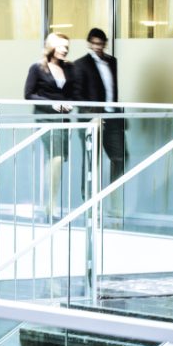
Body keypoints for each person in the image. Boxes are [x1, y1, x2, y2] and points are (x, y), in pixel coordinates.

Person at [24, 32, 74, 219]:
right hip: (46, 117)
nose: (65, 50)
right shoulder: (38, 68)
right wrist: (52, 104)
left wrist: (69, 104)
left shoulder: (68, 69)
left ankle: (50, 203)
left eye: (67, 47)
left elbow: (73, 92)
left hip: (63, 119)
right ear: (51, 46)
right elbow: (29, 94)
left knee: (58, 159)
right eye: (61, 46)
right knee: (56, 157)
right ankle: (50, 205)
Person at [72, 27, 128, 182]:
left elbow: (113, 91)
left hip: (113, 117)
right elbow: (75, 95)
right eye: (95, 43)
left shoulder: (112, 62)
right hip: (92, 119)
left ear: (105, 44)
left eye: (101, 44)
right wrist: (92, 113)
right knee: (92, 161)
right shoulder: (80, 64)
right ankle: (89, 201)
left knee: (120, 157)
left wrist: (119, 112)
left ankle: (114, 199)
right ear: (89, 44)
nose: (98, 47)